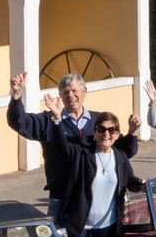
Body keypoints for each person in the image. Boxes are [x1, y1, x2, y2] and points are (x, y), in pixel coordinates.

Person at [8, 72, 140, 217]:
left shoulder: (99, 122)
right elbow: (19, 122)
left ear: (84, 92)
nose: (70, 95)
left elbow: (123, 151)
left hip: (97, 197)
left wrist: (132, 132)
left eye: (74, 90)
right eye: (66, 92)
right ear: (61, 95)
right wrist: (16, 96)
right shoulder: (48, 120)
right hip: (63, 197)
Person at [41, 98, 134, 237]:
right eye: (101, 129)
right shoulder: (83, 154)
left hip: (107, 225)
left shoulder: (120, 157)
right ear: (95, 132)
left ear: (117, 134)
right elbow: (62, 147)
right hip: (81, 224)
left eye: (111, 130)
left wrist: (140, 184)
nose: (106, 134)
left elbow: (129, 181)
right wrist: (57, 119)